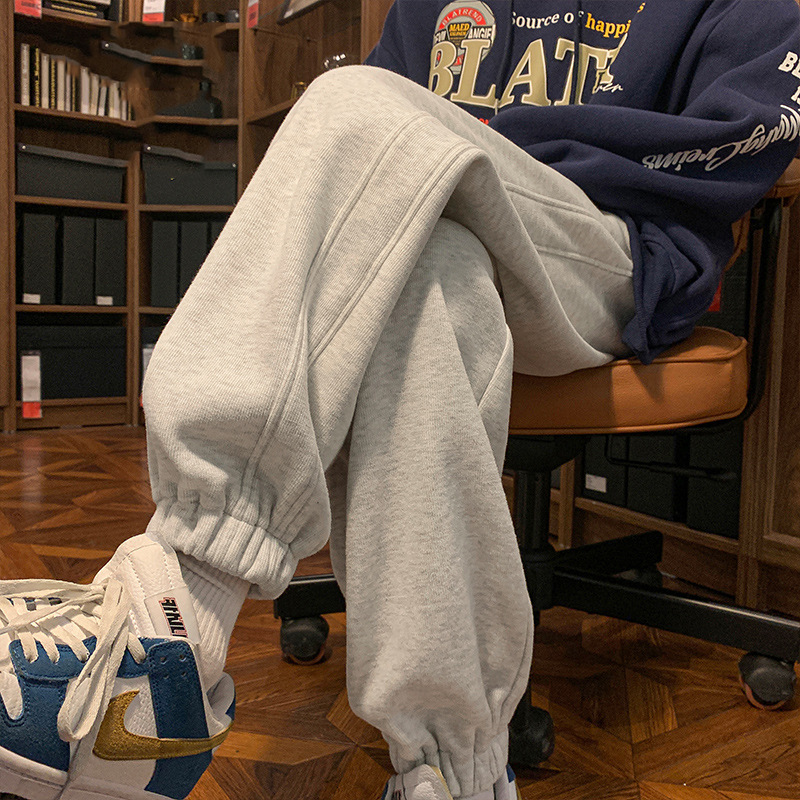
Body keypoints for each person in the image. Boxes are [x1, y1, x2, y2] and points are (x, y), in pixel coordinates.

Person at [2, 2, 799, 799]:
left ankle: (172, 624)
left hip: (615, 246)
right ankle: (457, 771)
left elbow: (746, 136)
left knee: (358, 107)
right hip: (462, 231)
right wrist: (443, 162)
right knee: (432, 270)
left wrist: (486, 149)